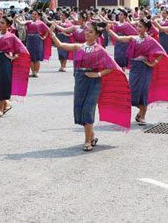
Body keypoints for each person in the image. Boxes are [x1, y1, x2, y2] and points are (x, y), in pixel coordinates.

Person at [48, 22, 131, 151]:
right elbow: (60, 45)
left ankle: (87, 141)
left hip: (94, 82)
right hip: (80, 80)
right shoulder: (80, 46)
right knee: (80, 109)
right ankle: (91, 135)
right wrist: (52, 33)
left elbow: (113, 67)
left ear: (97, 35)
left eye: (91, 32)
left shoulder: (100, 50)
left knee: (88, 108)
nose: (87, 33)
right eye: (86, 31)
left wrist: (98, 74)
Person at [108, 18, 168, 125]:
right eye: (137, 26)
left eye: (140, 26)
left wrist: (153, 63)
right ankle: (140, 111)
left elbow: (162, 53)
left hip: (145, 69)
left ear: (146, 29)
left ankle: (143, 115)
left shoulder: (151, 41)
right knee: (133, 92)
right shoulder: (133, 38)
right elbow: (118, 38)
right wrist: (108, 30)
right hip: (134, 68)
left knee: (143, 91)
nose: (137, 28)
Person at [15, 9, 50, 78]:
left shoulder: (41, 23)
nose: (33, 15)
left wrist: (44, 37)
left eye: (35, 14)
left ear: (38, 16)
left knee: (36, 57)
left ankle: (36, 72)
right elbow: (21, 23)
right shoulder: (29, 22)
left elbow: (47, 30)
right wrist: (16, 18)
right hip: (29, 40)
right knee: (30, 56)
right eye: (32, 14)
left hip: (37, 40)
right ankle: (33, 72)